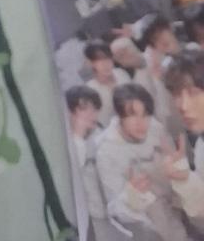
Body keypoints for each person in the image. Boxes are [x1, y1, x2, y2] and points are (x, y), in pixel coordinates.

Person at [95, 82, 189, 240]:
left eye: (145, 114)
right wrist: (132, 197)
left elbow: (177, 179)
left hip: (172, 219)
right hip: (141, 229)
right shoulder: (106, 150)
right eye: (132, 115)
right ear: (119, 116)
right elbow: (115, 209)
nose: (141, 123)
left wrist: (180, 169)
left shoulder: (156, 129)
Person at [65, 86, 125, 241]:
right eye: (84, 109)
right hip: (92, 217)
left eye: (94, 109)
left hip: (117, 211)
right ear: (69, 112)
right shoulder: (67, 143)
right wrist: (78, 135)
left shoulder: (101, 134)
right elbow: (72, 173)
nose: (91, 114)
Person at [161, 50, 204, 235]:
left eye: (193, 93)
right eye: (177, 94)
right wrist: (185, 180)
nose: (183, 106)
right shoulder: (201, 145)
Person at [135, 15, 183, 135]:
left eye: (162, 32)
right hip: (173, 118)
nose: (161, 39)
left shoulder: (184, 47)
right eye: (155, 38)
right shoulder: (148, 66)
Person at [84, 41, 130, 127]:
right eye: (99, 60)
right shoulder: (89, 90)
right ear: (91, 63)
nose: (105, 64)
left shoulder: (121, 74)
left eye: (107, 58)